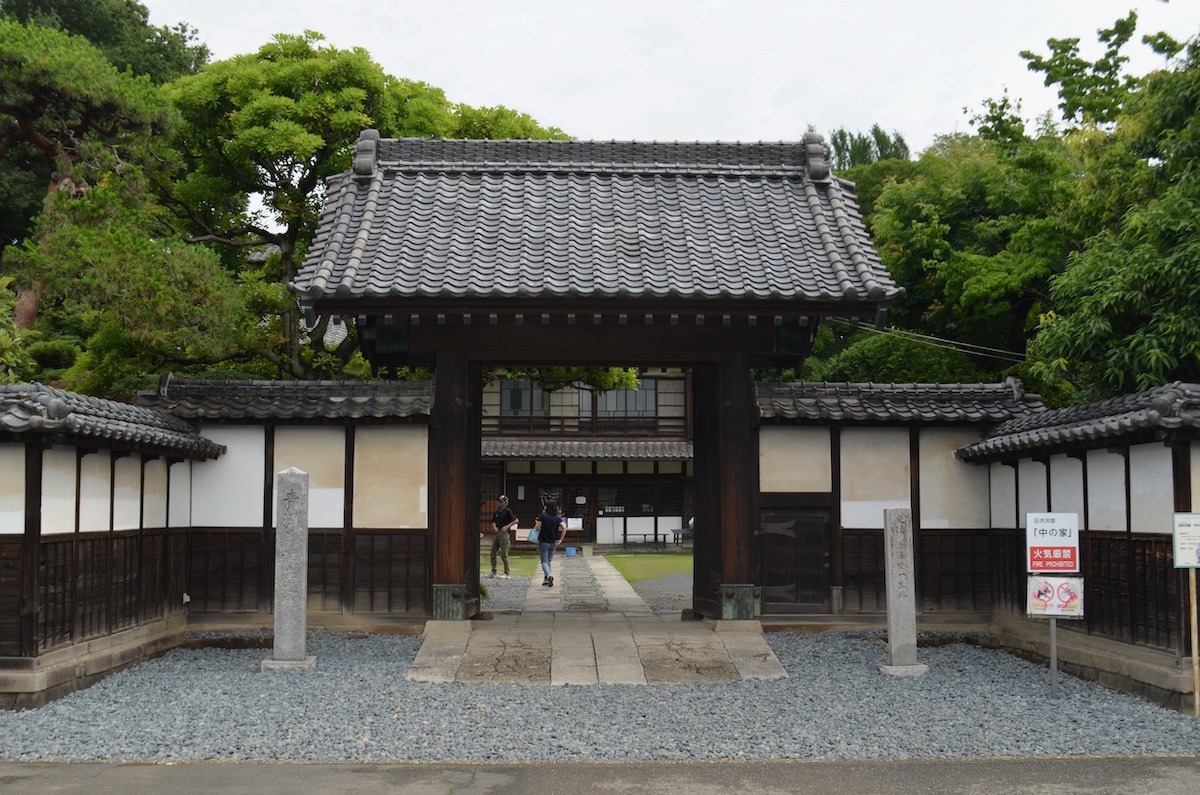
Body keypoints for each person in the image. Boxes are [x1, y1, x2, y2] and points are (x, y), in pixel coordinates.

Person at [533, 498, 565, 587]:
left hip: (544, 540)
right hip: (554, 541)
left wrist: (536, 522)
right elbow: (564, 528)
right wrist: (561, 539)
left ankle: (548, 575)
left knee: (544, 561)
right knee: (549, 561)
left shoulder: (543, 516)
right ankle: (546, 580)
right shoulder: (557, 518)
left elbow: (537, 527)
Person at [488, 495, 518, 578]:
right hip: (497, 533)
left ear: (506, 503)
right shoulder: (496, 512)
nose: (499, 503)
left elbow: (516, 520)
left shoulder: (508, 511)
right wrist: (494, 528)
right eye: (499, 501)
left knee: (504, 553)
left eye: (501, 501)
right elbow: (493, 521)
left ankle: (506, 572)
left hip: (504, 533)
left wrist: (507, 526)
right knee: (493, 552)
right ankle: (493, 571)